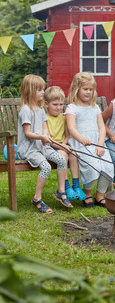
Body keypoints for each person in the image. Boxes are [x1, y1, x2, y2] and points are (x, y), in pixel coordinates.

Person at [17, 74, 72, 214]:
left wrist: (46, 136)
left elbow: (44, 126)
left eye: (43, 89)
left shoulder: (40, 109)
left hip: (41, 146)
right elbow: (28, 133)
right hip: (29, 149)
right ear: (30, 91)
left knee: (61, 159)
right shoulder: (26, 110)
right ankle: (37, 198)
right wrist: (41, 136)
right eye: (40, 90)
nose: (43, 92)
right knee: (46, 167)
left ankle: (61, 191)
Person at [65, 72, 114, 208]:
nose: (88, 92)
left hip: (98, 144)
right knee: (93, 168)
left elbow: (102, 128)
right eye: (85, 89)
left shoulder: (95, 108)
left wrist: (100, 145)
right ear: (77, 89)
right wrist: (82, 139)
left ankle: (99, 195)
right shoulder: (72, 108)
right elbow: (71, 128)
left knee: (108, 167)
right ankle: (87, 193)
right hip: (81, 145)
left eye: (91, 90)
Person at [44, 86, 86, 201]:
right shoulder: (45, 119)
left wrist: (65, 144)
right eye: (55, 104)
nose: (59, 108)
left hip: (63, 144)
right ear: (46, 104)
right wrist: (63, 147)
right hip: (51, 147)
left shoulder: (63, 118)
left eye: (61, 104)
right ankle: (66, 187)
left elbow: (67, 135)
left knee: (74, 154)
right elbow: (49, 140)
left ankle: (76, 186)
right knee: (64, 155)